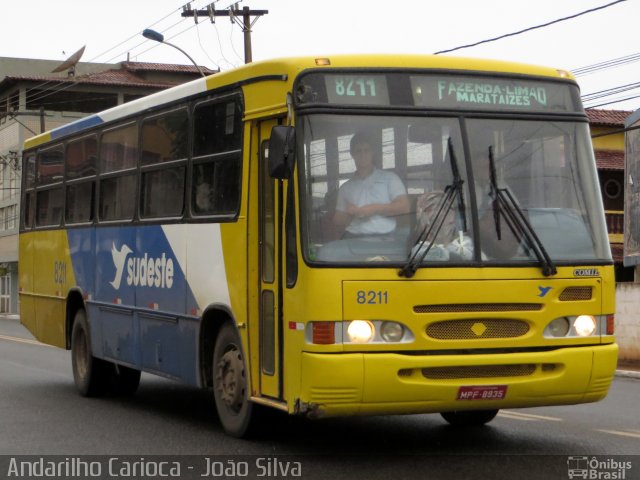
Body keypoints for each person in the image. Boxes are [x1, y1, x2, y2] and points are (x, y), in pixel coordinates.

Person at [333, 132, 410, 237]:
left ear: (372, 152)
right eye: (358, 151)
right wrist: (350, 213)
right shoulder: (345, 188)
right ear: (352, 154)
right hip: (353, 238)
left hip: (387, 238)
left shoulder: (390, 178)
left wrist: (374, 209)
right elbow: (338, 220)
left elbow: (404, 207)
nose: (363, 154)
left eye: (366, 150)